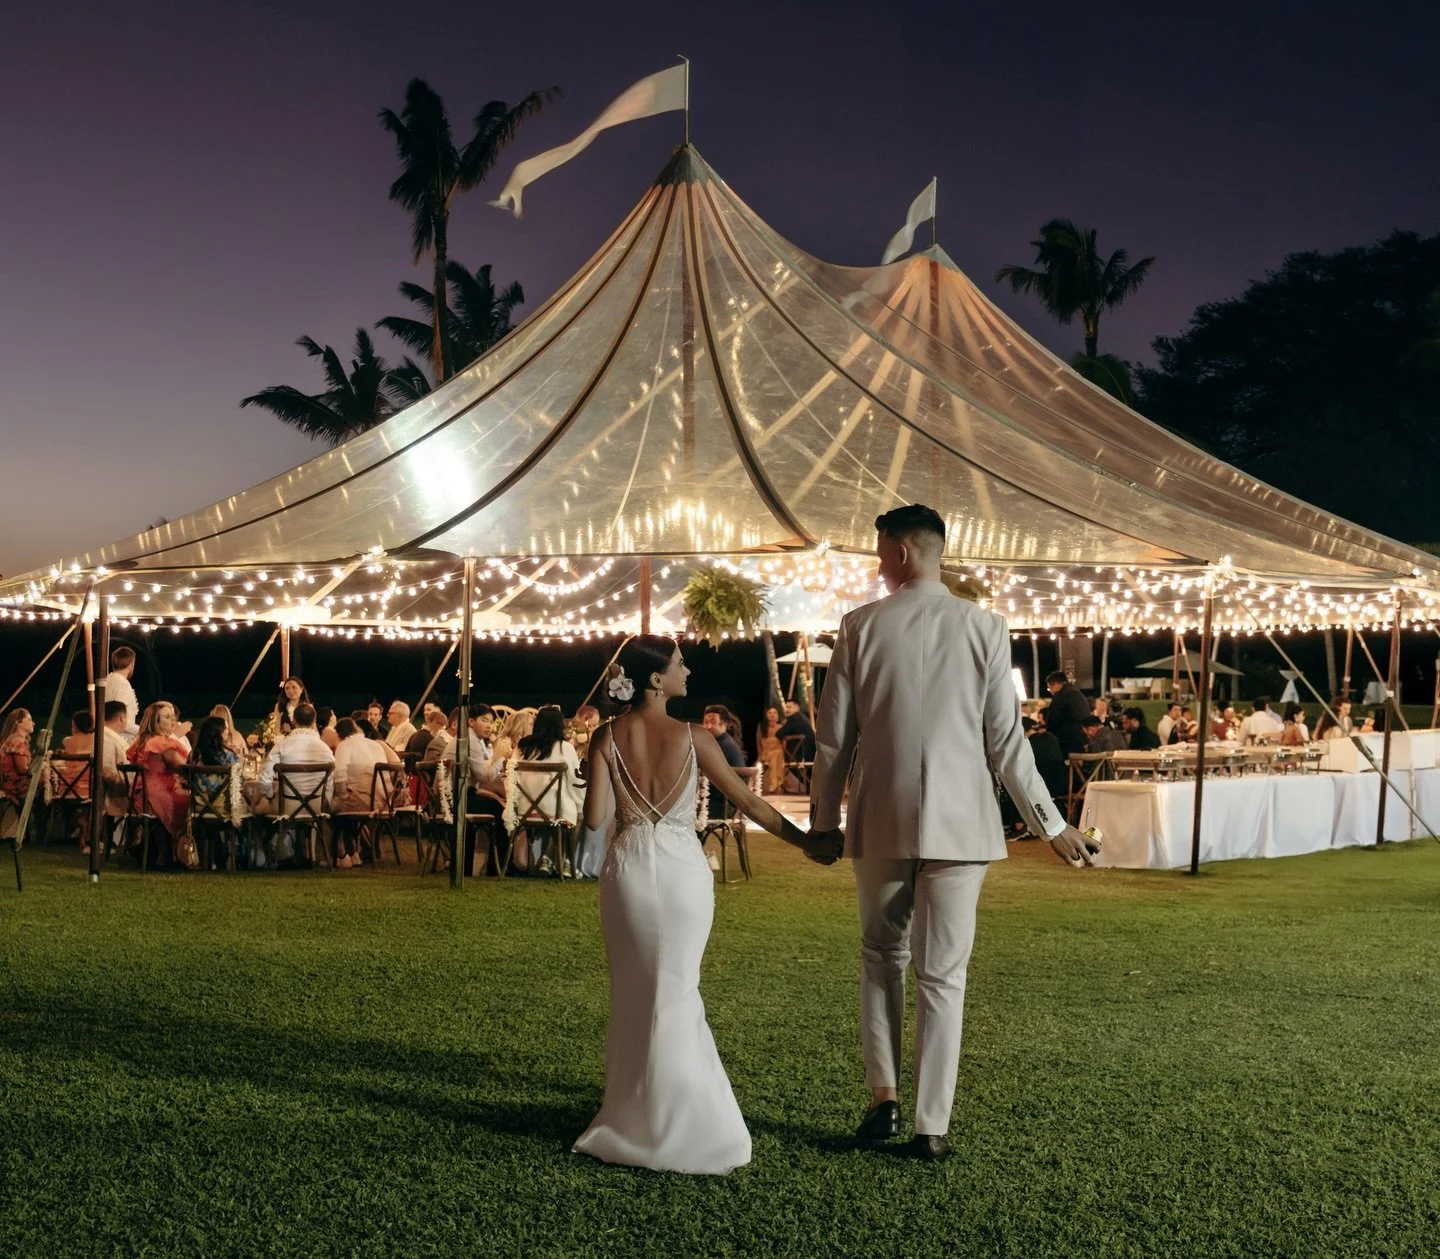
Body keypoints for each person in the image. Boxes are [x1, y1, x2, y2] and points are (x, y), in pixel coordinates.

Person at [809, 505, 1096, 1162]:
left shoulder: (858, 627)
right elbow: (1006, 741)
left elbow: (834, 738)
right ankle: (929, 1124)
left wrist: (824, 823)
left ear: (905, 552)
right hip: (963, 822)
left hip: (881, 814)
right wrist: (1050, 823)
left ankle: (882, 1097)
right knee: (944, 976)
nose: (879, 565)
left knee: (882, 959)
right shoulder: (986, 627)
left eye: (881, 552)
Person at [572, 634, 834, 1175]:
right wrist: (807, 842)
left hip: (628, 874)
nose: (687, 671)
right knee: (677, 990)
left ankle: (631, 1114)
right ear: (655, 679)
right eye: (678, 664)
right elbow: (749, 803)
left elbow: (596, 819)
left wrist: (600, 770)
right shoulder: (695, 736)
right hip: (681, 872)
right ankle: (685, 1120)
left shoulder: (605, 736)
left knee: (635, 993)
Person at [507, 705, 584, 874]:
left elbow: (511, 777)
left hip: (524, 809)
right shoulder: (565, 748)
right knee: (579, 812)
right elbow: (575, 781)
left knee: (560, 807)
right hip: (553, 810)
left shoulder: (522, 747)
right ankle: (564, 861)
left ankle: (546, 859)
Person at [127, 701, 193, 866]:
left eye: (173, 717)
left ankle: (159, 850)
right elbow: (180, 767)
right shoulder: (162, 743)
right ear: (156, 721)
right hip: (157, 794)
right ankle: (182, 854)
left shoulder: (141, 741)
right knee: (195, 803)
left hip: (139, 794)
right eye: (167, 717)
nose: (173, 722)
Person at [701, 705, 746, 820]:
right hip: (720, 802)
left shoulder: (724, 746)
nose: (708, 726)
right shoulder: (719, 742)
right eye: (705, 722)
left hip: (722, 806)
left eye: (713, 722)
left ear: (724, 724)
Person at [1043, 670, 1091, 758]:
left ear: (1056, 684)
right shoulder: (1078, 693)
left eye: (1050, 688)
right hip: (1082, 737)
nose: (1051, 692)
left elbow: (1052, 719)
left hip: (1067, 740)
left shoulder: (1061, 696)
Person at [57, 710, 96, 802]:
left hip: (70, 787)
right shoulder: (96, 739)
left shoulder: (67, 741)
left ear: (75, 726)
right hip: (90, 786)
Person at [1, 708, 36, 808]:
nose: (33, 723)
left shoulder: (10, 739)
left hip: (9, 784)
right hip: (15, 787)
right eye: (29, 720)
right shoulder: (17, 741)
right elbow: (22, 769)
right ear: (18, 722)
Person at [103, 645, 141, 735]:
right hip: (120, 735)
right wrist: (143, 731)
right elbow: (120, 718)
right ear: (131, 664)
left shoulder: (108, 680)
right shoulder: (122, 684)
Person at [755, 705, 786, 794]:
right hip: (766, 753)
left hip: (778, 753)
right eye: (770, 713)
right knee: (775, 754)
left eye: (775, 713)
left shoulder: (781, 727)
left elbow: (784, 745)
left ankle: (775, 785)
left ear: (778, 716)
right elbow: (759, 743)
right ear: (766, 715)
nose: (772, 715)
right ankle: (775, 785)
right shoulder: (762, 727)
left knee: (777, 753)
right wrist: (760, 755)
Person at [777, 699, 815, 763]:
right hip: (809, 752)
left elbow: (779, 734)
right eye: (786, 707)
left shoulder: (794, 718)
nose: (787, 710)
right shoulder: (802, 717)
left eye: (789, 707)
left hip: (800, 755)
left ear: (797, 708)